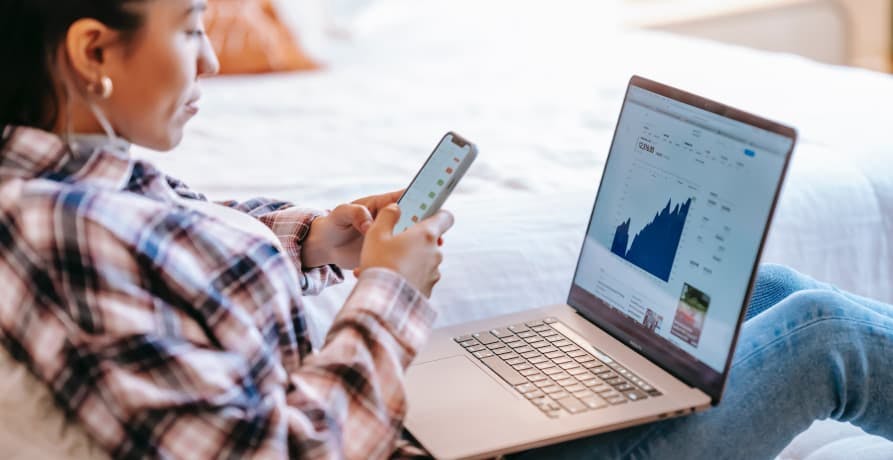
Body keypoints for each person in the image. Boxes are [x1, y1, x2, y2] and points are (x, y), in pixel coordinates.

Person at [0, 1, 889, 459]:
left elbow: (176, 241)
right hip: (393, 440)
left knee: (768, 293)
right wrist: (388, 293)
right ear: (93, 51)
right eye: (191, 28)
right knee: (822, 336)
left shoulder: (65, 182)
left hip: (413, 424)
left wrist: (316, 238)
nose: (211, 57)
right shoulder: (65, 232)